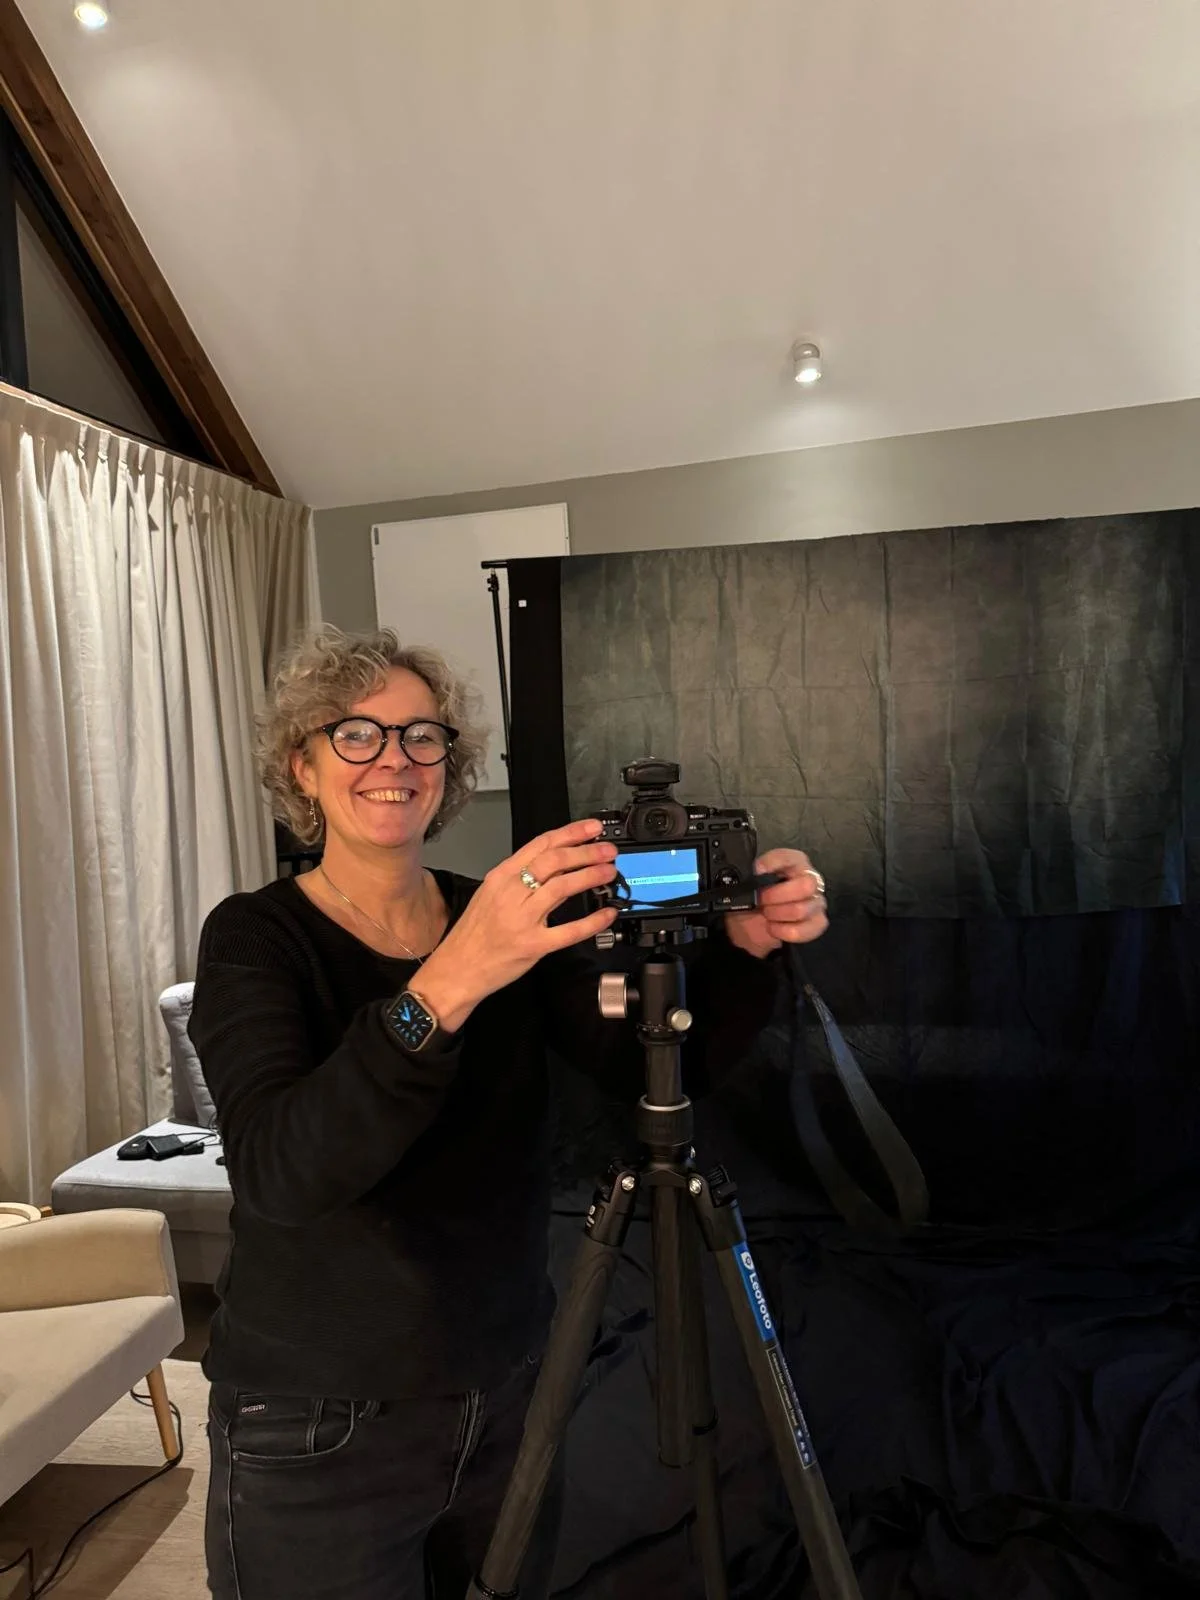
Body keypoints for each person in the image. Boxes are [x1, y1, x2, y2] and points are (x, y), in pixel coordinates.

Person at [191, 625, 828, 1600]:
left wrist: (745, 952)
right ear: (302, 768)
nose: (394, 760)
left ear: (450, 766)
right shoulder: (256, 939)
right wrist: (456, 972)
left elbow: (646, 1065)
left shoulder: (495, 919)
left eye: (421, 737)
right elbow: (284, 1171)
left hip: (504, 1394)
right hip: (317, 1423)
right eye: (355, 735)